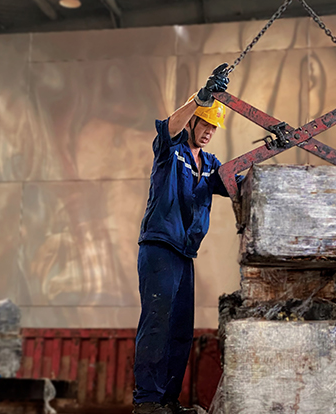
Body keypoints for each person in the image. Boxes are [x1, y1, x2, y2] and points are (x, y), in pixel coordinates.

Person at [133, 63, 236, 414]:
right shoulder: (171, 149)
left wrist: (271, 152)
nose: (209, 132)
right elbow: (169, 127)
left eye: (213, 126)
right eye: (205, 123)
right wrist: (200, 98)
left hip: (184, 254)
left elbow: (236, 183)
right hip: (160, 247)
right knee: (157, 322)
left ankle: (167, 401)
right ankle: (147, 401)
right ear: (193, 121)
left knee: (179, 330)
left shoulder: (210, 163)